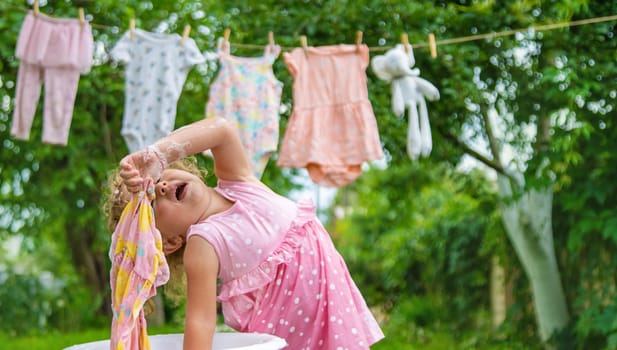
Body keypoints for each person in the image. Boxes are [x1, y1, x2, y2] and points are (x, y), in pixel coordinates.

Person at [104, 116, 385, 350]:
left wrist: (158, 155)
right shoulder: (203, 243)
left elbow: (222, 130)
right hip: (286, 330)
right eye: (153, 201)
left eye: (159, 179)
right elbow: (200, 321)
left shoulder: (239, 182)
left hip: (330, 307)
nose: (162, 188)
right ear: (169, 242)